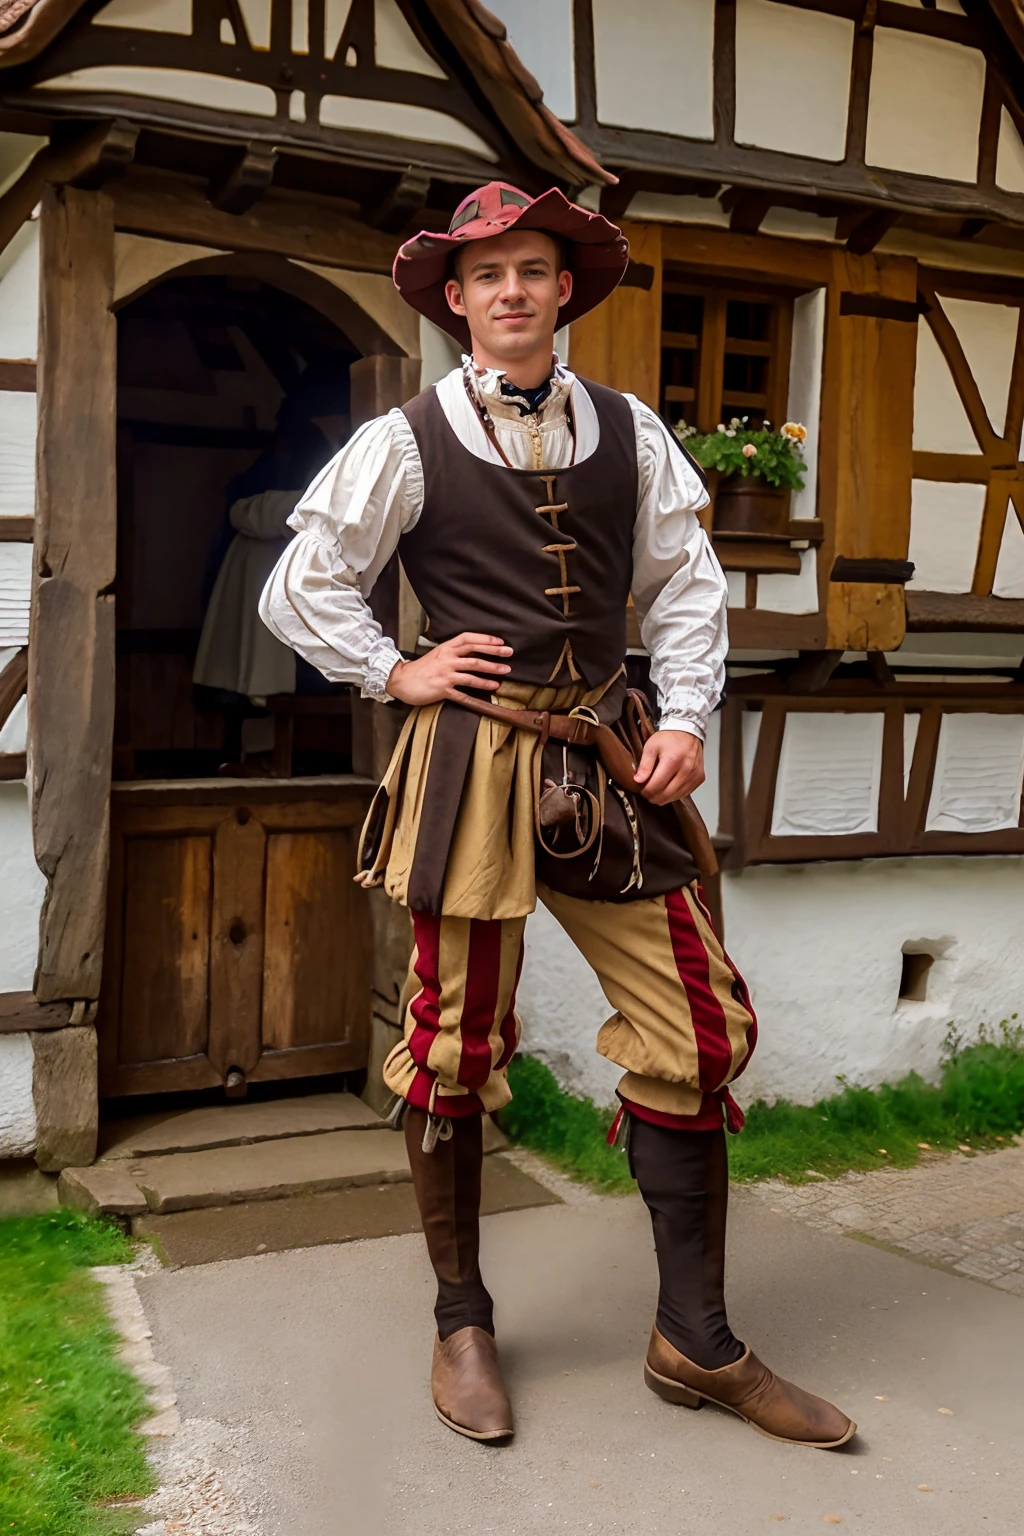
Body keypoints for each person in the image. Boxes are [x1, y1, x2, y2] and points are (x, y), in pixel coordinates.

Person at [259, 182, 854, 1449]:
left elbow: (684, 585)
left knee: (700, 1026)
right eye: (488, 277)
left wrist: (684, 715)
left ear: (562, 288)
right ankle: (462, 1318)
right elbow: (301, 583)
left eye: (533, 269)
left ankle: (694, 1341)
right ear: (458, 300)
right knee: (458, 1041)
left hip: (606, 753)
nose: (513, 291)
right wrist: (396, 669)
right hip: (473, 762)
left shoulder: (631, 431)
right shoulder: (407, 437)